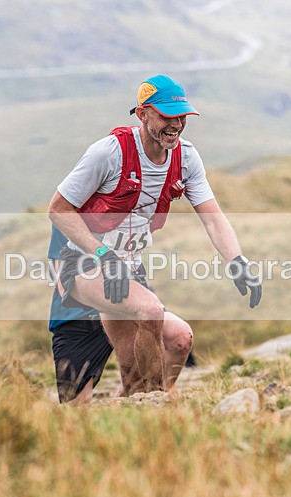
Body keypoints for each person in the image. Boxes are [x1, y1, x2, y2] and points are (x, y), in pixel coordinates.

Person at [48, 74, 261, 395]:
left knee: (177, 339)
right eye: (166, 116)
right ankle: (155, 404)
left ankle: (142, 403)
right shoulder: (109, 153)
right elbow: (58, 210)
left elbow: (213, 218)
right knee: (147, 313)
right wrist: (103, 255)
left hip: (126, 270)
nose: (176, 124)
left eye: (182, 116)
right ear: (142, 114)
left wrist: (237, 261)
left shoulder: (186, 157)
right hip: (81, 264)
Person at [48, 225, 196, 404]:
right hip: (78, 318)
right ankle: (128, 402)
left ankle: (156, 399)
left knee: (179, 336)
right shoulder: (70, 215)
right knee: (76, 405)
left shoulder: (130, 213)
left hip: (123, 307)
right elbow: (59, 273)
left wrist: (144, 300)